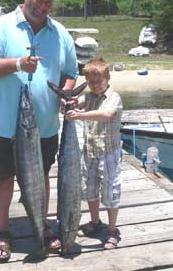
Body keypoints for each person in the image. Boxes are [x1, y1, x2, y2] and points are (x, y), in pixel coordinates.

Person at [0, 0, 78, 262]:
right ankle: (3, 231)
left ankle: (41, 226)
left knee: (41, 177)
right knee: (2, 178)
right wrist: (17, 64)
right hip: (2, 125)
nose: (42, 7)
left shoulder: (60, 34)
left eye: (48, 3)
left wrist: (66, 92)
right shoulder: (1, 27)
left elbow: (70, 72)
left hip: (44, 127)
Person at [66, 57, 122, 249]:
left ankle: (112, 230)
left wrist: (79, 115)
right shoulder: (88, 97)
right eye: (90, 82)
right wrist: (70, 102)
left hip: (108, 154)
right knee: (89, 189)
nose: (95, 85)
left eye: (98, 81)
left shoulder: (114, 98)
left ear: (107, 77)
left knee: (110, 191)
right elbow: (72, 105)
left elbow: (106, 114)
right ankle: (95, 221)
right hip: (89, 153)